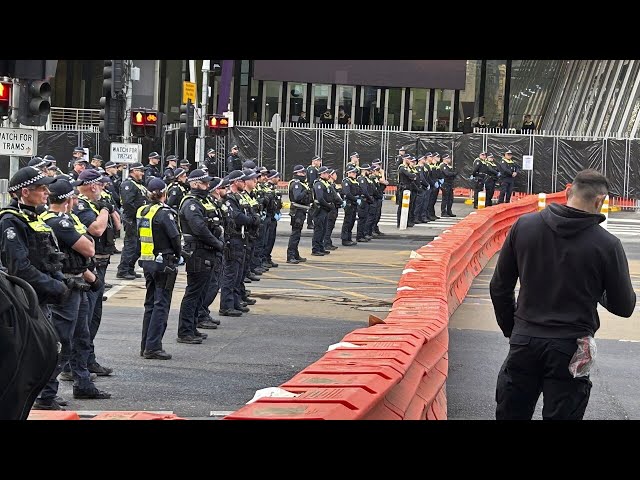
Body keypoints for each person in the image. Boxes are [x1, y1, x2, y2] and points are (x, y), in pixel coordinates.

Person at [490, 169, 636, 420]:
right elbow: (624, 306)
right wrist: (595, 287)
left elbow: (499, 287)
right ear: (600, 201)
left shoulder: (524, 226)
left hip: (525, 338)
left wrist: (512, 329)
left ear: (568, 192)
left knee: (511, 412)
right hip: (572, 345)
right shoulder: (607, 244)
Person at [38, 179, 111, 404]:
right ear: (68, 199)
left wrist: (91, 276)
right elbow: (89, 247)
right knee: (62, 342)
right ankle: (46, 394)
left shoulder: (70, 218)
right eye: (74, 197)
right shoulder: (56, 221)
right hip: (66, 286)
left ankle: (83, 384)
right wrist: (87, 248)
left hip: (79, 280)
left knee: (82, 337)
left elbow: (85, 249)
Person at [137, 177, 182, 359]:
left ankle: (145, 344)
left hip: (147, 262)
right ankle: (153, 346)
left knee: (150, 304)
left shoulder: (142, 210)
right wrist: (179, 256)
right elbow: (175, 238)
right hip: (164, 263)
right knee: (161, 305)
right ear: (164, 193)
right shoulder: (164, 213)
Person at [116, 162, 147, 279]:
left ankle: (129, 268)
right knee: (130, 244)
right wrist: (136, 215)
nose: (142, 174)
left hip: (138, 219)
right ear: (133, 171)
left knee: (137, 246)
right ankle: (123, 270)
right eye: (140, 171)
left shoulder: (138, 184)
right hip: (132, 219)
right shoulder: (128, 184)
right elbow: (128, 203)